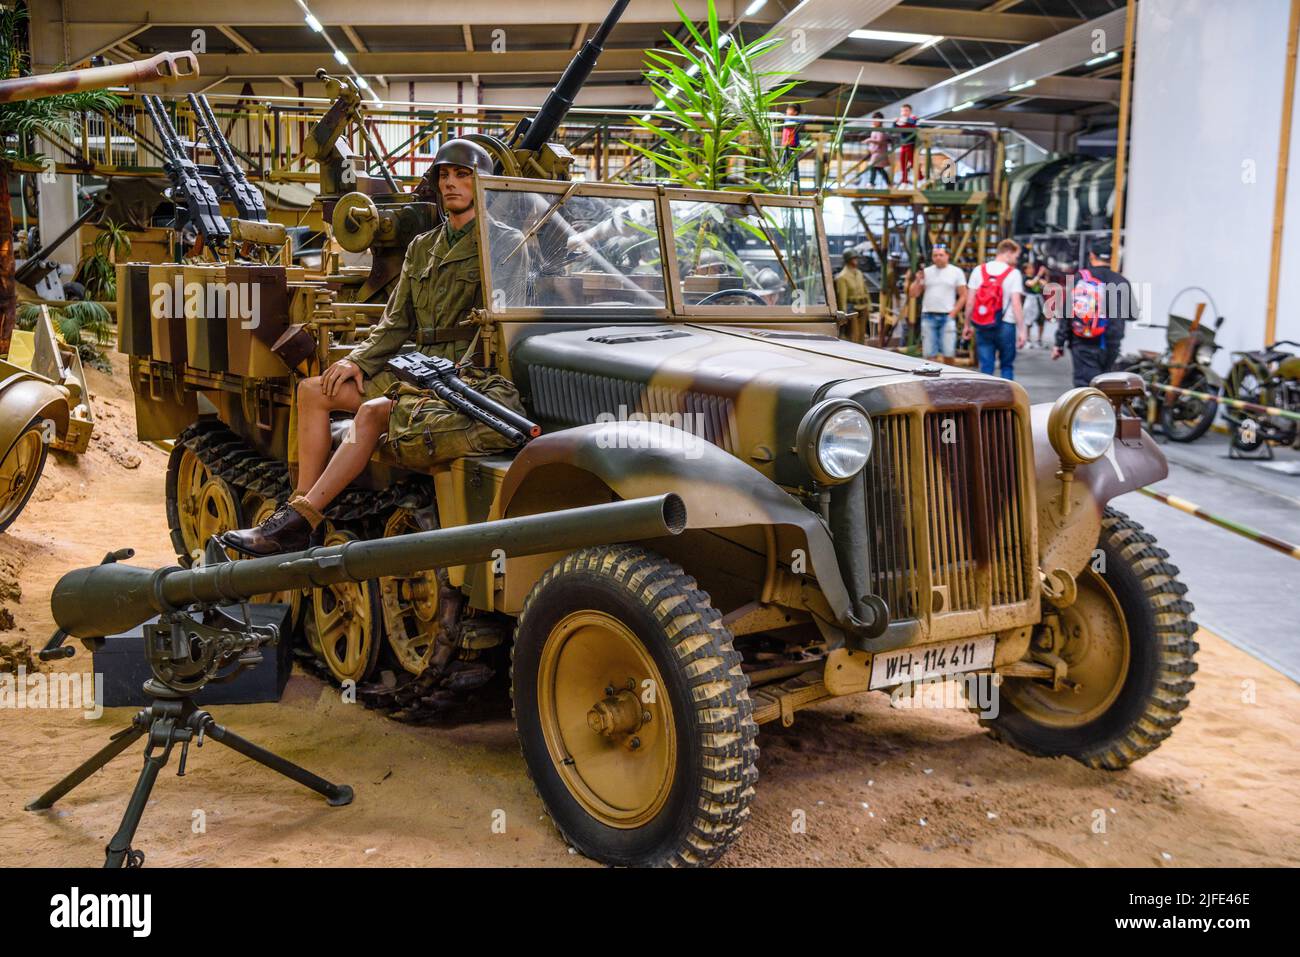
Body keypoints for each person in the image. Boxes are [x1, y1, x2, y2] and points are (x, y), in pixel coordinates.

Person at [221, 139, 528, 556]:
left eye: (463, 175)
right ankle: (296, 516)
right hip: (416, 365)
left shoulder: (504, 245)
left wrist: (450, 378)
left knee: (369, 413)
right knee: (315, 390)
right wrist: (357, 361)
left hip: (462, 376)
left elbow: (498, 326)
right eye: (444, 175)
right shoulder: (424, 247)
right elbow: (396, 321)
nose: (451, 184)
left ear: (484, 183)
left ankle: (304, 516)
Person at [1053, 238, 1134, 386]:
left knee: (1085, 388)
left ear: (1091, 255)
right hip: (1111, 344)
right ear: (1111, 258)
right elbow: (1131, 315)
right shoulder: (1121, 281)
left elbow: (1066, 313)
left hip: (1083, 341)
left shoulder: (1079, 279)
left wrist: (1059, 342)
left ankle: (1090, 409)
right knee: (1105, 385)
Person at [963, 238, 1026, 380]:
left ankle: (987, 401)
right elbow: (1016, 304)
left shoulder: (979, 270)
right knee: (1007, 366)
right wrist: (1022, 331)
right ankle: (1009, 401)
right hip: (1006, 325)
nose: (1016, 260)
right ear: (1008, 253)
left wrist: (967, 325)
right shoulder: (1013, 273)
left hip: (983, 324)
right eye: (1016, 256)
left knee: (986, 368)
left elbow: (970, 302)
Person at [907, 243, 966, 362]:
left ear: (947, 256)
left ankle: (949, 378)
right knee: (929, 354)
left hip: (947, 316)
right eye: (935, 255)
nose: (938, 257)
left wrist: (953, 313)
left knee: (949, 353)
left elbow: (964, 295)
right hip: (928, 315)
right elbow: (913, 294)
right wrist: (918, 281)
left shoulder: (956, 272)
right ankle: (931, 379)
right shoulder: (927, 272)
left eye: (941, 255)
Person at [834, 249, 870, 338]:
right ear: (848, 260)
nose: (856, 260)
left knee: (862, 335)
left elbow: (865, 290)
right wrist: (844, 315)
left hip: (863, 308)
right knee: (854, 336)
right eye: (854, 258)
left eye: (856, 258)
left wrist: (869, 306)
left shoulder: (859, 273)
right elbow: (842, 298)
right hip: (852, 310)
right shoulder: (842, 277)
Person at [1022, 261, 1048, 347]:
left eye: (1032, 268)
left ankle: (1039, 340)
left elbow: (1045, 284)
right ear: (1025, 270)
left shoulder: (1035, 277)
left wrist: (1046, 274)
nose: (1032, 269)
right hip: (1030, 300)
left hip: (1038, 300)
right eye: (1029, 268)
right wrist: (1039, 274)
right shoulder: (1025, 278)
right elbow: (1031, 283)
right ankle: (1028, 340)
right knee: (1028, 321)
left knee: (1041, 320)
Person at [894, 104, 918, 186]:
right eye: (903, 111)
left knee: (913, 162)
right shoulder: (900, 121)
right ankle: (904, 181)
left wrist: (903, 120)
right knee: (903, 163)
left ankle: (920, 178)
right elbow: (894, 128)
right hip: (904, 145)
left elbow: (913, 121)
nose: (904, 112)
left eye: (906, 110)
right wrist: (895, 122)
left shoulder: (912, 118)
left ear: (910, 111)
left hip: (911, 144)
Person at [865, 112, 890, 188]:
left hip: (879, 152)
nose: (875, 122)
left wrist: (869, 140)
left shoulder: (881, 130)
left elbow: (879, 141)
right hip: (875, 152)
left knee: (874, 167)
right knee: (879, 168)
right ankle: (889, 184)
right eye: (874, 120)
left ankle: (871, 183)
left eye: (877, 120)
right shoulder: (874, 129)